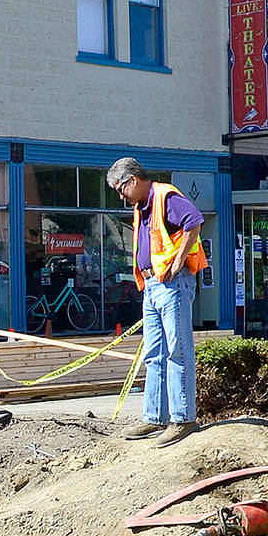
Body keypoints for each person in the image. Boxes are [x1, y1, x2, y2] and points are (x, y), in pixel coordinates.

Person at [107, 156, 207, 446]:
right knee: (154, 353)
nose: (119, 194)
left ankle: (182, 418)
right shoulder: (143, 206)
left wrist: (177, 263)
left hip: (171, 282)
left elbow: (194, 221)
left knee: (177, 351)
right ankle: (154, 417)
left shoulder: (165, 196)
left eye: (120, 188)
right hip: (153, 284)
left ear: (133, 180)